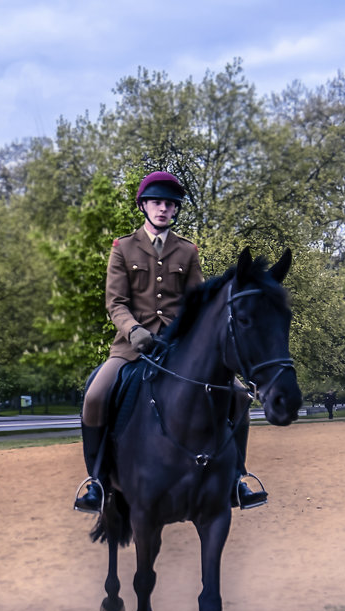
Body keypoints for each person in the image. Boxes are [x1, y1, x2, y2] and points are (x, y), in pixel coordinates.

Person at [73, 171, 267, 513]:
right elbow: (115, 302)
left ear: (175, 210)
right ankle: (97, 482)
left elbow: (198, 302)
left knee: (237, 395)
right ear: (144, 206)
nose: (162, 209)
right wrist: (134, 331)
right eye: (156, 202)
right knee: (95, 396)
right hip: (131, 347)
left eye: (169, 204)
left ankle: (238, 476)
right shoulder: (122, 248)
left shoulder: (187, 250)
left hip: (180, 347)